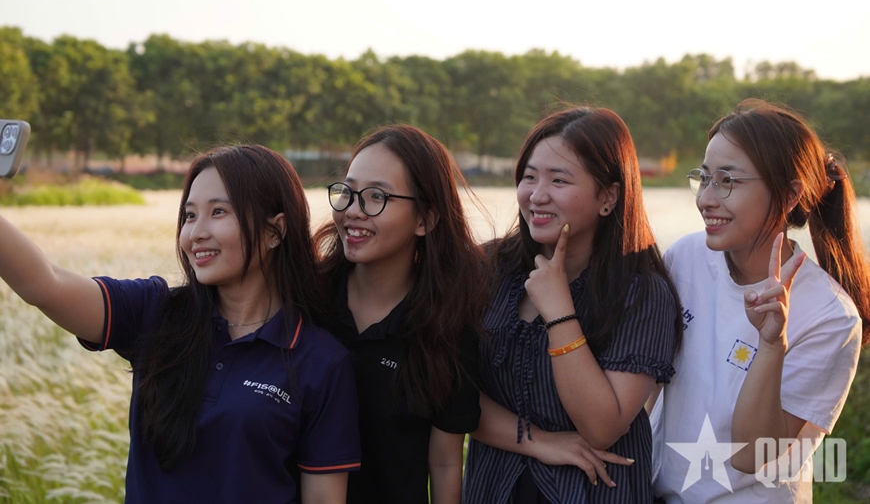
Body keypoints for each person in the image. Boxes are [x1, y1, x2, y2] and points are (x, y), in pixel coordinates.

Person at [0, 145, 360, 504]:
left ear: (274, 231)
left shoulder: (320, 362)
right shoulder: (155, 313)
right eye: (189, 215)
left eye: (218, 212)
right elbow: (45, 285)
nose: (195, 233)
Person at [650, 99, 869, 502]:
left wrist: (771, 344)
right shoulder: (685, 258)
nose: (706, 199)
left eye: (727, 181)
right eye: (704, 178)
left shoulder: (830, 316)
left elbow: (753, 455)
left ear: (789, 195)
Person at [463, 106, 683, 503]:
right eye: (529, 176)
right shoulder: (487, 268)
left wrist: (560, 313)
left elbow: (602, 427)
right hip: (494, 489)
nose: (537, 194)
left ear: (608, 196)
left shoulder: (641, 294)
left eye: (559, 180)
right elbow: (451, 395)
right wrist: (539, 441)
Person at [314, 124, 488, 504]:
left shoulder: (446, 322)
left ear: (425, 218)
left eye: (376, 196)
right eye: (347, 192)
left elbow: (445, 462)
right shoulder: (308, 300)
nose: (353, 211)